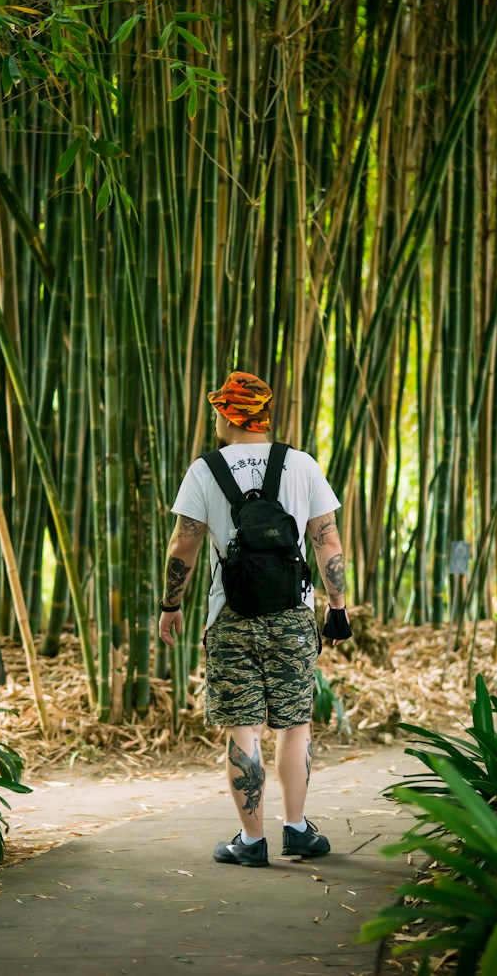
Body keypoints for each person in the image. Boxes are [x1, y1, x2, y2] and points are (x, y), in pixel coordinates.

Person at [158, 371, 351, 868]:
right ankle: (297, 829)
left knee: (243, 729)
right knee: (296, 724)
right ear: (264, 415)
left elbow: (185, 543)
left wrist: (171, 604)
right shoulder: (301, 465)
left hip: (231, 616)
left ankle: (252, 840)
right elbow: (327, 541)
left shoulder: (205, 469)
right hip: (292, 614)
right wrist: (336, 606)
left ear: (226, 415)